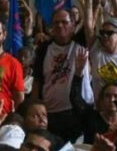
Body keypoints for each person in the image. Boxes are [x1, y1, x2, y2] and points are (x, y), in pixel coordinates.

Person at [32, 8, 93, 142]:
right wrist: (35, 106)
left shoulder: (81, 44)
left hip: (76, 112)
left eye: (65, 22)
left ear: (73, 25)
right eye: (56, 22)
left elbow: (89, 23)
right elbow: (37, 79)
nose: (60, 25)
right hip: (50, 113)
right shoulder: (43, 49)